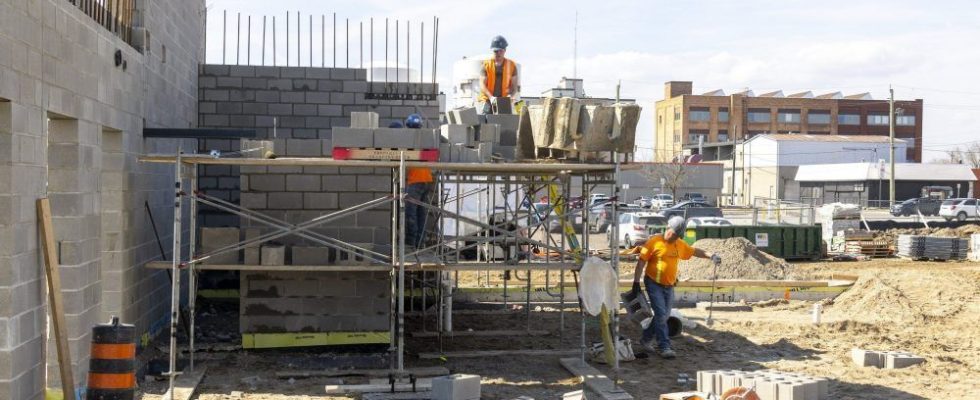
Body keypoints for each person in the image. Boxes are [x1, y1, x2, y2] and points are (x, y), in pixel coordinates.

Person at [631, 216, 721, 359]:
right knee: (661, 315)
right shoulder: (654, 242)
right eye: (674, 234)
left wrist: (711, 256)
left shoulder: (679, 244)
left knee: (664, 316)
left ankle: (646, 339)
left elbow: (695, 251)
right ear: (668, 228)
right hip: (653, 283)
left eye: (678, 236)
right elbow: (641, 262)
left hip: (669, 286)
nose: (675, 238)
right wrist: (636, 283)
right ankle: (664, 346)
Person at [401, 115, 434, 249]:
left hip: (415, 181)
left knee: (411, 213)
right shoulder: (425, 138)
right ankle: (420, 244)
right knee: (421, 214)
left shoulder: (407, 138)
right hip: (426, 180)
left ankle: (411, 245)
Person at [478, 35, 519, 114]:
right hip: (487, 99)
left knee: (504, 122)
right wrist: (491, 98)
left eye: (501, 51)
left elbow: (514, 86)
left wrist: (511, 96)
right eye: (496, 51)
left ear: (505, 50)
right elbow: (482, 84)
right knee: (486, 121)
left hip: (503, 100)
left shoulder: (511, 65)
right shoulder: (486, 65)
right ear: (492, 51)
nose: (498, 53)